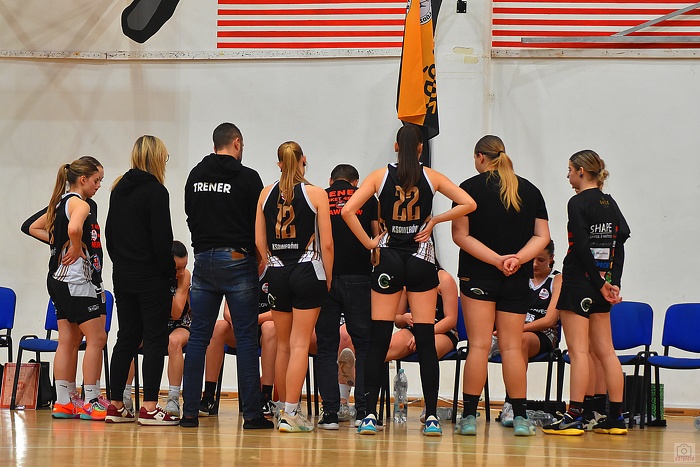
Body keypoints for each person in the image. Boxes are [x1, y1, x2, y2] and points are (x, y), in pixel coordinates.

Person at [342, 124, 476, 437]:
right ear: (419, 148)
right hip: (420, 258)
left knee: (378, 338)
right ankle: (431, 418)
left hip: (388, 257)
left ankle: (370, 415)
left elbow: (348, 210)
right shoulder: (432, 176)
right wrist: (435, 220)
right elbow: (469, 203)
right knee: (426, 338)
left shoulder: (379, 176)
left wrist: (370, 242)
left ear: (395, 147)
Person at [451, 134, 550, 437]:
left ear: (480, 157)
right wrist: (517, 259)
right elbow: (543, 237)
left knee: (479, 346)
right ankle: (519, 418)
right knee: (511, 347)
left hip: (478, 276)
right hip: (516, 277)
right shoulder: (530, 190)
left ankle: (469, 418)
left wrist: (495, 260)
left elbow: (460, 235)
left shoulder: (467, 189)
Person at [181, 123, 272, 429]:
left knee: (198, 337)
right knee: (246, 338)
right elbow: (259, 224)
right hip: (238, 259)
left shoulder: (195, 175)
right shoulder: (248, 178)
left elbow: (190, 216)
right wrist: (259, 258)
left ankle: (189, 414)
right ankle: (252, 415)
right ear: (237, 143)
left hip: (204, 259)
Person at [542, 150, 630, 436]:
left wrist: (598, 281)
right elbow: (620, 242)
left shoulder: (577, 202)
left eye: (570, 170)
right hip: (602, 282)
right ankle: (615, 417)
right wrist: (611, 282)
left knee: (579, 351)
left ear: (581, 171)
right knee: (606, 351)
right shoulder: (610, 203)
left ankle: (574, 416)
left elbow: (580, 246)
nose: (568, 176)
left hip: (579, 281)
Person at [256, 141, 333, 433]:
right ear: (303, 160)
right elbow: (327, 243)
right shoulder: (316, 194)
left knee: (283, 344)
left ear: (279, 164)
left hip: (276, 271)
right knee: (300, 343)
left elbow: (259, 242)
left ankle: (281, 410)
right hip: (306, 269)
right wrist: (328, 276)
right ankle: (291, 412)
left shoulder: (265, 194)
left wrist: (272, 263)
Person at [104, 135, 179, 425]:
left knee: (126, 337)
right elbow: (162, 242)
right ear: (157, 158)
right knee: (155, 340)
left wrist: (122, 264)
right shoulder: (157, 191)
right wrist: (169, 274)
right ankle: (149, 407)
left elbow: (110, 235)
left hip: (123, 275)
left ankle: (115, 405)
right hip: (151, 278)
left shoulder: (117, 189)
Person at [28, 158, 107, 420]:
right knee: (97, 338)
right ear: (83, 179)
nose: (98, 185)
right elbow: (74, 228)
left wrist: (58, 241)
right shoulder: (80, 204)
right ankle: (92, 400)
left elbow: (33, 227)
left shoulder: (60, 202)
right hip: (76, 281)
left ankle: (64, 401)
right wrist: (74, 245)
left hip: (58, 279)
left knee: (68, 339)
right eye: (96, 180)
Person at [315, 164, 377, 430]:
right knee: (364, 346)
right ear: (355, 182)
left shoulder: (320, 196)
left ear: (331, 181)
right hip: (359, 278)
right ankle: (363, 411)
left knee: (326, 347)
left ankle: (330, 413)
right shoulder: (367, 197)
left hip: (325, 277)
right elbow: (376, 235)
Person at [499, 241, 561, 427]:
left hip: (544, 334)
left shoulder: (557, 280)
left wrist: (517, 329)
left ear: (551, 259)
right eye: (531, 259)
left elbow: (550, 320)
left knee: (520, 342)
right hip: (515, 331)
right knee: (486, 344)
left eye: (540, 260)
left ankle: (513, 403)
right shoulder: (520, 276)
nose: (534, 264)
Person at [198, 280, 278, 418]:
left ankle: (265, 397)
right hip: (241, 328)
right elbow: (227, 312)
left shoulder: (273, 273)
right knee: (218, 328)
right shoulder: (239, 274)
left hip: (264, 329)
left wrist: (251, 320)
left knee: (270, 328)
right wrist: (241, 322)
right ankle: (209, 396)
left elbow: (278, 312)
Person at [386, 267, 459, 362]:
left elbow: (451, 320)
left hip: (441, 331)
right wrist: (404, 318)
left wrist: (424, 334)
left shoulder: (444, 279)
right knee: (385, 348)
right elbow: (397, 320)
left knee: (427, 349)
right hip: (414, 329)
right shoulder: (406, 282)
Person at [164, 240, 192, 417]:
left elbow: (176, 313)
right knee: (131, 339)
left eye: (185, 266)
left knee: (173, 341)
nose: (181, 272)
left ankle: (173, 398)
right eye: (177, 268)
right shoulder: (153, 274)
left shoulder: (185, 276)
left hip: (180, 324)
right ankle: (125, 396)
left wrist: (163, 285)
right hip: (156, 324)